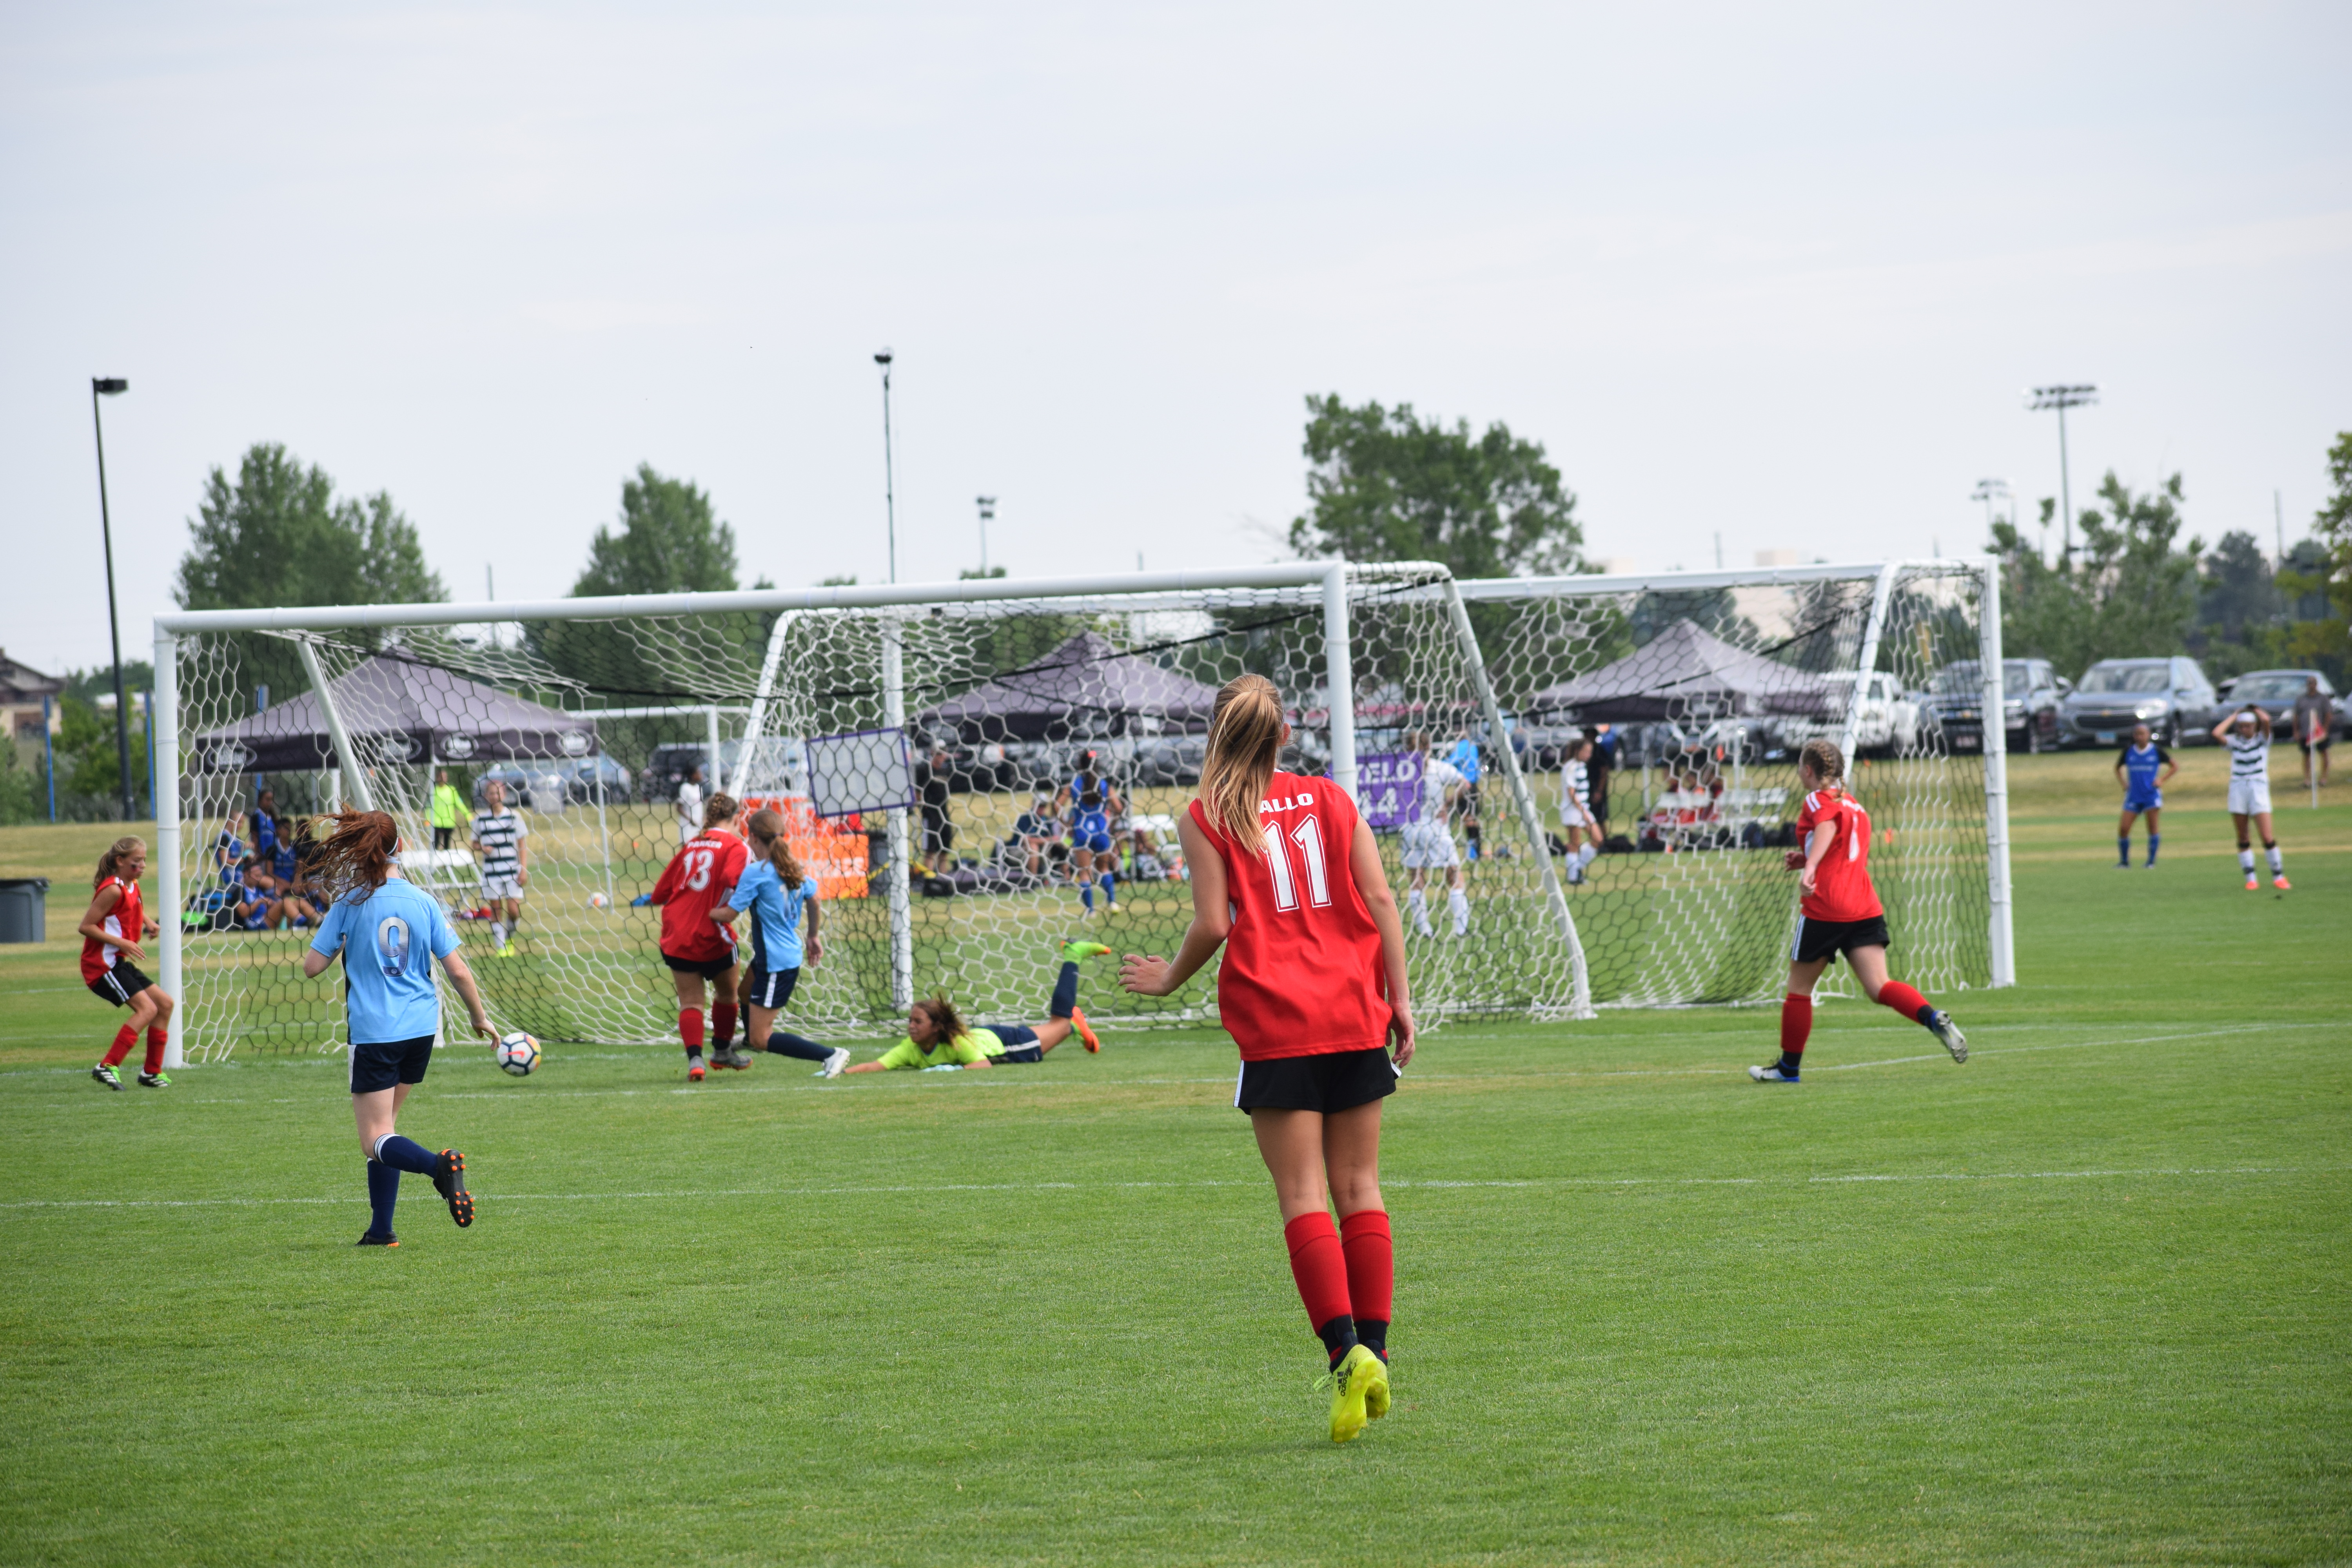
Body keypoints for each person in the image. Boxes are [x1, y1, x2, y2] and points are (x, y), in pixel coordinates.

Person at [1119, 673, 1411, 1445]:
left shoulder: (1206, 815)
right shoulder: (1332, 799)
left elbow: (1213, 923)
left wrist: (1167, 977)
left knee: (1304, 1192)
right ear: (1285, 735)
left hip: (1280, 1019)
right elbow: (1382, 902)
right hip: (1355, 1007)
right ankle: (1376, 1352)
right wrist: (1401, 1000)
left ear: (1218, 737)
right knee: (1361, 1186)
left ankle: (1346, 1356)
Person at [301, 810, 494, 1248]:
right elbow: (459, 971)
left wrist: (342, 940)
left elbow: (312, 967)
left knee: (374, 1139)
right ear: (400, 849)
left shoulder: (349, 902)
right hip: (422, 1029)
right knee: (386, 1130)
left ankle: (438, 1167)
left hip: (375, 1031)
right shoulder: (424, 901)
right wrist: (479, 1017)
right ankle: (381, 1230)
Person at [1751, 739, 1968, 1083]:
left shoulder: (1817, 799)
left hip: (1826, 907)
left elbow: (1827, 826)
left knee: (1799, 989)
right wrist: (1807, 860)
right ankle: (1931, 1016)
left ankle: (1788, 1069)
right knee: (1880, 986)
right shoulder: (1854, 804)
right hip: (1865, 906)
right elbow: (1842, 848)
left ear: (1808, 770)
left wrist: (1811, 869)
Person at [712, 807, 847, 1078]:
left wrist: (700, 909)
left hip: (777, 962)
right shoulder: (791, 867)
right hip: (775, 956)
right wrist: (813, 936)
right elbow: (815, 898)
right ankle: (751, 1038)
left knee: (764, 1037)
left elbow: (729, 914)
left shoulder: (757, 872)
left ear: (752, 839)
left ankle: (830, 1055)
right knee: (744, 993)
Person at [845, 942, 1111, 1073]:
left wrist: (948, 1070)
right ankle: (1075, 1024)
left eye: (918, 1022)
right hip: (989, 1035)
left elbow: (982, 1065)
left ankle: (1073, 957)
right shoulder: (910, 1047)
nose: (911, 1027)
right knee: (1060, 1026)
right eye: (911, 1021)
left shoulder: (958, 1044)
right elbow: (875, 1066)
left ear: (937, 1027)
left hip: (1008, 1045)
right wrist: (840, 1071)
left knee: (1059, 1024)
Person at [649, 791, 751, 1079]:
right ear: (736, 819)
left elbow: (660, 893)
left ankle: (696, 1061)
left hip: (676, 933)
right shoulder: (737, 846)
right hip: (711, 932)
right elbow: (733, 879)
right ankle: (722, 1052)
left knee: (691, 1002)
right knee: (727, 994)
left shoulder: (691, 845)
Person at [81, 835, 176, 1090]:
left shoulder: (131, 883)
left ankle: (151, 1073)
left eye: (144, 860)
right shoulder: (112, 888)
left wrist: (147, 922)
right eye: (137, 861)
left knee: (165, 1004)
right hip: (102, 965)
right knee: (148, 1010)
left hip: (118, 962)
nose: (143, 865)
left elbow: (131, 906)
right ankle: (107, 1066)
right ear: (120, 861)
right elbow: (86, 926)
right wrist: (122, 942)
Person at [1399, 731, 1470, 937]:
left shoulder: (1401, 769)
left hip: (1410, 828)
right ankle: (1461, 928)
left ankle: (1425, 930)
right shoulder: (1440, 768)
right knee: (1454, 875)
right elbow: (1465, 783)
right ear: (1429, 745)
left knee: (1417, 879)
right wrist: (1447, 804)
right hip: (1437, 827)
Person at [2212, 707, 2288, 891]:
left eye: (2248, 726)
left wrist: (2254, 709)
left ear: (2254, 726)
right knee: (2243, 836)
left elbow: (2267, 721)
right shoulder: (2234, 742)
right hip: (2238, 788)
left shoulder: (2263, 740)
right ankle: (2251, 879)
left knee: (2267, 836)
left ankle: (2279, 876)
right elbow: (2216, 733)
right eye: (2241, 726)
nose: (2244, 729)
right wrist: (2233, 715)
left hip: (2258, 787)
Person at [1055, 751, 1125, 913]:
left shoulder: (1074, 785)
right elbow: (1119, 808)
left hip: (1082, 831)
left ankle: (1091, 911)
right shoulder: (1104, 785)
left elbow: (1057, 805)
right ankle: (1112, 903)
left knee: (1085, 874)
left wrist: (1066, 825)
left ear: (1080, 765)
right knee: (1104, 869)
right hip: (1101, 831)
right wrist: (1111, 826)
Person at [469, 777, 528, 957]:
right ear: (487, 796)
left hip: (511, 871)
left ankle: (509, 937)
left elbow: (522, 845)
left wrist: (524, 869)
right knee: (496, 909)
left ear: (504, 794)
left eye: (498, 793)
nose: (495, 796)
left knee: (514, 911)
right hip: (491, 872)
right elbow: (474, 844)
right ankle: (501, 947)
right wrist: (482, 848)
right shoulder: (480, 820)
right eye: (491, 793)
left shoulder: (514, 817)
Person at [2113, 724, 2177, 869]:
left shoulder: (2156, 751)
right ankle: (2124, 862)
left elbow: (2174, 766)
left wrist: (2161, 780)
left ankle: (2151, 862)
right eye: (2137, 734)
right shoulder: (2129, 751)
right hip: (2133, 796)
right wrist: (2124, 783)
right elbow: (2117, 768)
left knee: (2152, 829)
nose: (2140, 737)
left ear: (2148, 735)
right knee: (2124, 829)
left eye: (2143, 734)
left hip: (2151, 795)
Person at [1559, 735, 1602, 885]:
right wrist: (1582, 811)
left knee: (1598, 839)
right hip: (1573, 811)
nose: (1589, 755)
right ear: (1577, 751)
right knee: (1575, 844)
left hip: (1584, 809)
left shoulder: (1582, 766)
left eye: (1590, 752)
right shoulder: (1570, 766)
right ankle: (1573, 878)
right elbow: (1571, 793)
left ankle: (1576, 869)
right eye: (1586, 752)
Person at [915, 746, 957, 874]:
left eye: (944, 753)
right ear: (933, 753)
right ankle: (929, 878)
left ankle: (943, 877)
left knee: (944, 849)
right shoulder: (924, 771)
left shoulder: (945, 772)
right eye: (939, 753)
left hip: (944, 814)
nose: (942, 757)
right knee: (930, 850)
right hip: (930, 815)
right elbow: (918, 794)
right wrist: (926, 809)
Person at [2294, 676, 2334, 789]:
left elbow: (2328, 714)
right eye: (2309, 683)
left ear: (2316, 685)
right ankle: (2307, 779)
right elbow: (2296, 716)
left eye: (2313, 683)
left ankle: (2324, 778)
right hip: (2305, 732)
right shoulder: (2301, 699)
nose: (2311, 685)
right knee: (2307, 755)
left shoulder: (2323, 698)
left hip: (2319, 732)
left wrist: (2325, 729)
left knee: (2324, 753)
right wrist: (2296, 731)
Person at [429, 768, 465, 850]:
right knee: (435, 844)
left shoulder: (452, 790)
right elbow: (429, 807)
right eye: (441, 777)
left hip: (449, 822)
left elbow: (459, 804)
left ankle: (446, 862)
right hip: (437, 822)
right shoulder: (433, 791)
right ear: (437, 778)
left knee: (447, 845)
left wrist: (468, 815)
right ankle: (434, 861)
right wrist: (428, 820)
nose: (443, 778)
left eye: (445, 777)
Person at [675, 766, 706, 848]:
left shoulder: (699, 787)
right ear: (693, 775)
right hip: (688, 826)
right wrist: (690, 820)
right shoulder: (685, 788)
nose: (701, 775)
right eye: (698, 773)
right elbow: (679, 807)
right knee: (686, 849)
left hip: (698, 825)